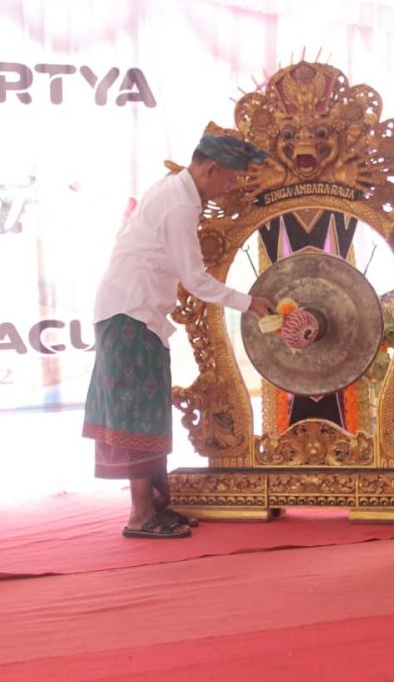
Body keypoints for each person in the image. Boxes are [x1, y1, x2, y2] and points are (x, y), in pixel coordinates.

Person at [83, 133, 274, 539]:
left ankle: (155, 505)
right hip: (129, 314)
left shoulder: (176, 191)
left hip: (137, 312)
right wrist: (249, 303)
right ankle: (139, 515)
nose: (230, 188)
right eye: (229, 178)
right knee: (138, 414)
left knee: (150, 410)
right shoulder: (181, 203)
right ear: (210, 169)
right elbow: (196, 280)